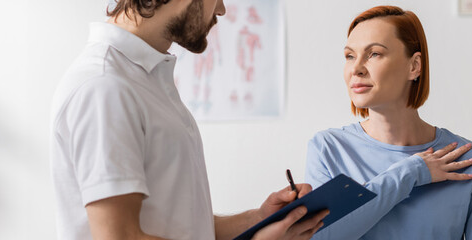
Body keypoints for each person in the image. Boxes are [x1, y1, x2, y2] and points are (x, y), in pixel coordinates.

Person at [50, 0, 327, 239]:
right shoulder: (105, 86)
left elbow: (183, 228)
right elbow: (120, 237)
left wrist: (257, 219)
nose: (221, 9)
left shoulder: (143, 80)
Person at [304, 5, 472, 239]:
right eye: (350, 56)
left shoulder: (469, 159)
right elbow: (320, 236)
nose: (356, 69)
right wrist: (412, 171)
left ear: (414, 66)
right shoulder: (328, 149)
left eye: (374, 54)